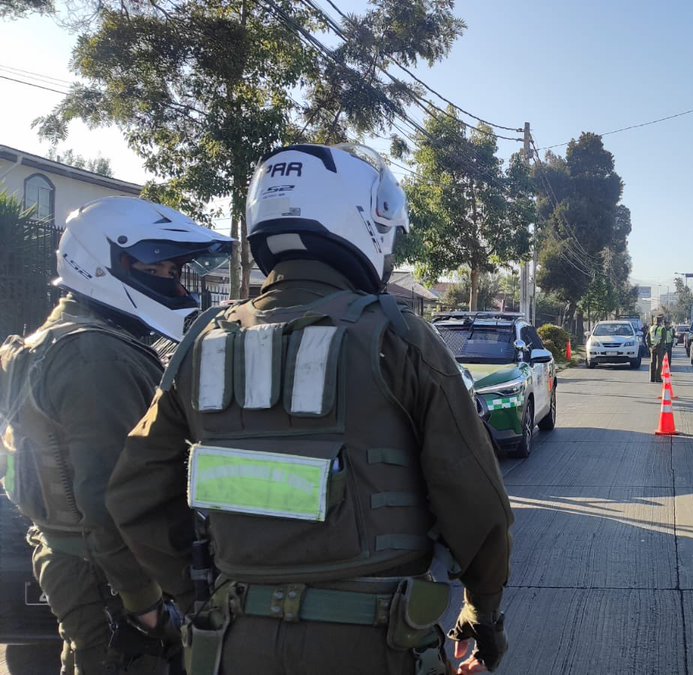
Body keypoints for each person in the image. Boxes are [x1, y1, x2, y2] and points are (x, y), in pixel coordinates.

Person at [106, 144, 514, 675]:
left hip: (234, 644)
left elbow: (133, 495)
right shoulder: (399, 336)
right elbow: (475, 500)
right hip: (374, 645)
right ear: (359, 220)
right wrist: (481, 614)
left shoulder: (203, 342)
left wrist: (198, 598)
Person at [0, 196, 233, 674]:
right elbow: (108, 492)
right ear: (104, 263)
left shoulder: (58, 338)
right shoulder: (94, 355)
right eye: (161, 270)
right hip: (110, 577)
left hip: (84, 564)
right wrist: (144, 601)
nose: (173, 280)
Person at [649, 316, 675, 383]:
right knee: (659, 363)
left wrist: (650, 346)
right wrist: (660, 346)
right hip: (659, 348)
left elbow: (647, 338)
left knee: (652, 362)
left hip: (653, 347)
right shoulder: (662, 328)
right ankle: (658, 378)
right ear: (661, 321)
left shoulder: (651, 328)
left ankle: (652, 378)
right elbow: (663, 339)